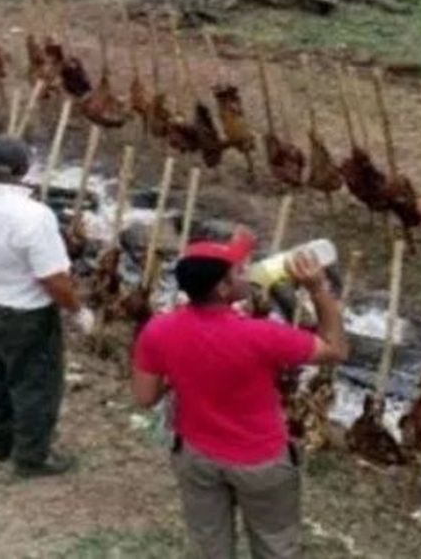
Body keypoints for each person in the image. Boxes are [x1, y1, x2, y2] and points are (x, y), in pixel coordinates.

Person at [131, 231, 348, 559]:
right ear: (222, 288)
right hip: (260, 461)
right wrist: (318, 290)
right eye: (239, 272)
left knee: (209, 545)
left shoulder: (159, 330)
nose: (248, 274)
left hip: (197, 456)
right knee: (275, 545)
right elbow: (335, 350)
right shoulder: (262, 335)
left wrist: (178, 369)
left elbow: (146, 397)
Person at [0, 136, 93, 477]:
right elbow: (53, 278)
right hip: (24, 315)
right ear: (24, 171)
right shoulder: (34, 216)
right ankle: (31, 458)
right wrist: (76, 310)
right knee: (35, 386)